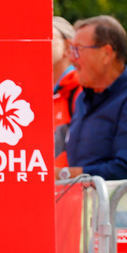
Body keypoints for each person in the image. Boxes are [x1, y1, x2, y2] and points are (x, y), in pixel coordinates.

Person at [63, 15, 127, 179]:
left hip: (122, 205)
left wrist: (66, 175)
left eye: (78, 49)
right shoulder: (82, 99)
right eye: (72, 50)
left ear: (106, 53)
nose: (72, 58)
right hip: (83, 203)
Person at [53, 15, 82, 162]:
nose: (40, 42)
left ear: (68, 47)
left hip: (68, 180)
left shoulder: (80, 89)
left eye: (49, 38)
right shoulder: (34, 93)